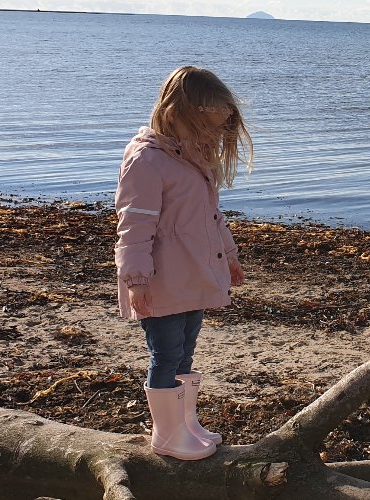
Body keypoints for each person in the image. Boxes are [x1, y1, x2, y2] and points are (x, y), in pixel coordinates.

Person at [114, 66, 253, 460]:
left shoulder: (192, 157)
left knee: (186, 351)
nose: (212, 138)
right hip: (160, 280)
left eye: (217, 130)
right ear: (178, 114)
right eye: (206, 127)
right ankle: (166, 435)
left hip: (192, 274)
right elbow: (134, 225)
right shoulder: (146, 160)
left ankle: (186, 424)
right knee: (166, 353)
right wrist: (137, 279)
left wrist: (229, 257)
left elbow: (212, 217)